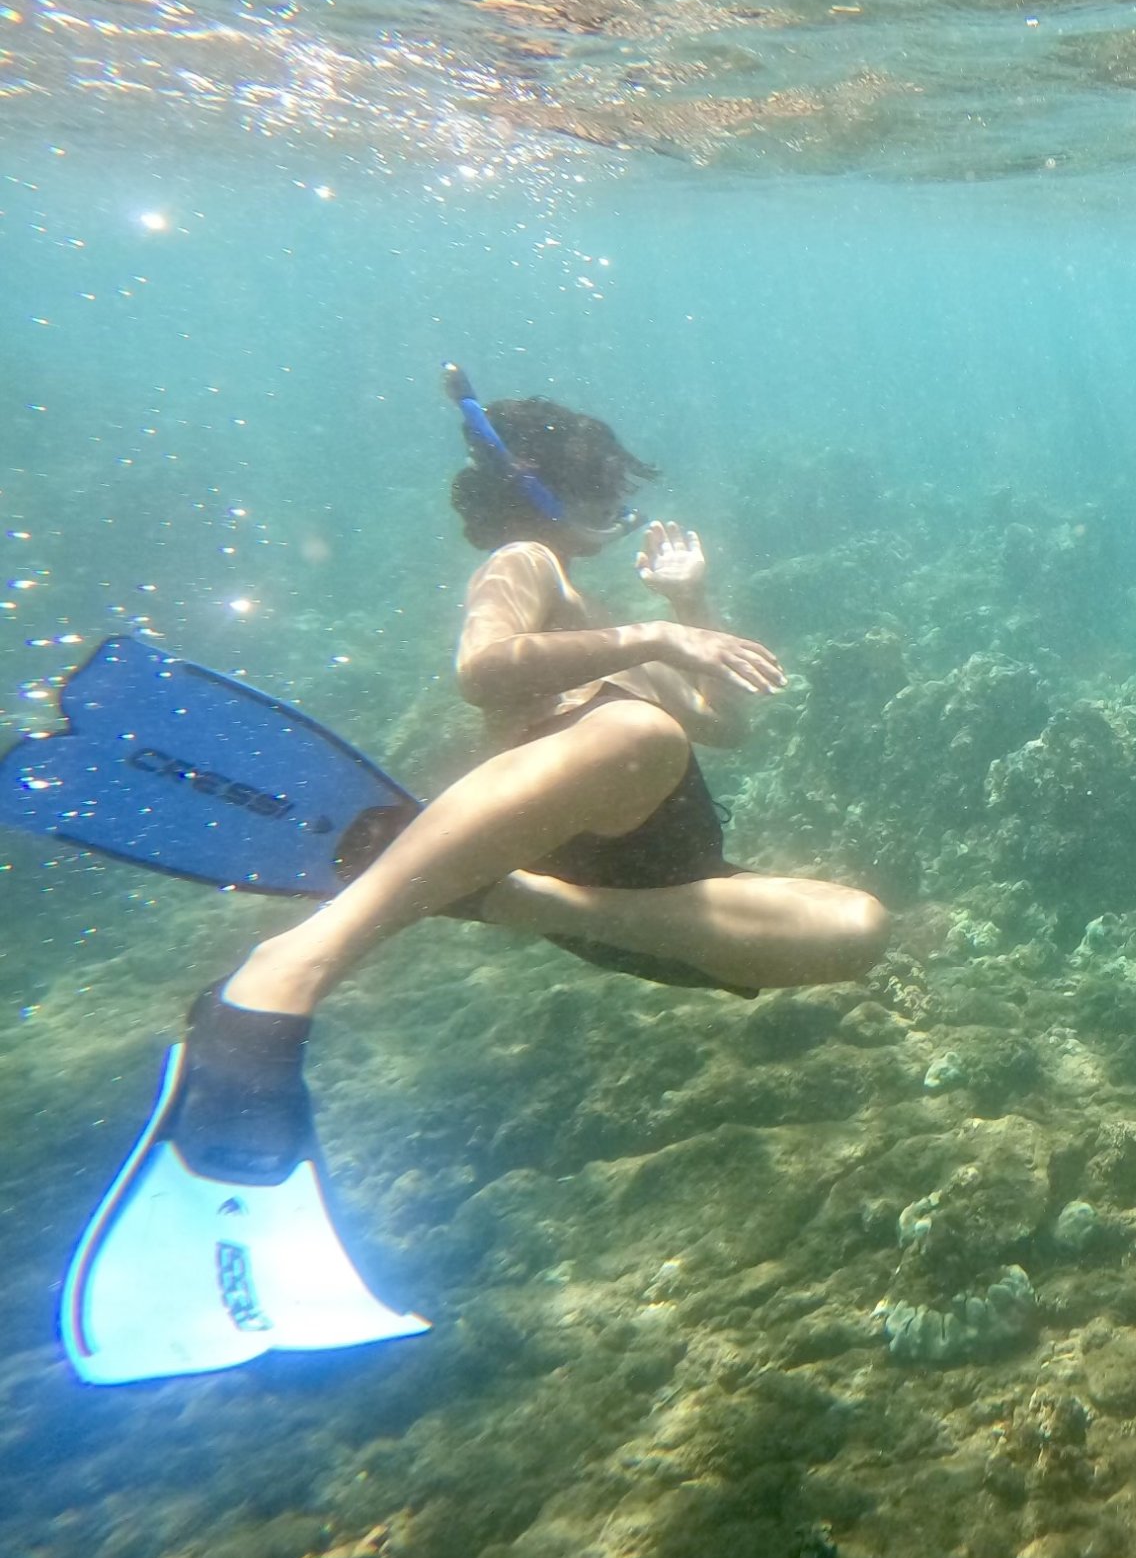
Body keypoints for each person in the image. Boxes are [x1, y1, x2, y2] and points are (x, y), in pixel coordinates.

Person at [173, 373, 887, 1186]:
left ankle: (504, 898)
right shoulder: (526, 562)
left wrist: (691, 606)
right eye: (606, 496)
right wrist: (654, 633)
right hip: (589, 829)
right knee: (640, 733)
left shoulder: (602, 625)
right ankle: (293, 967)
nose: (619, 517)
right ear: (551, 491)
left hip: (649, 895)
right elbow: (482, 669)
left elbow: (728, 724)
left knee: (859, 930)